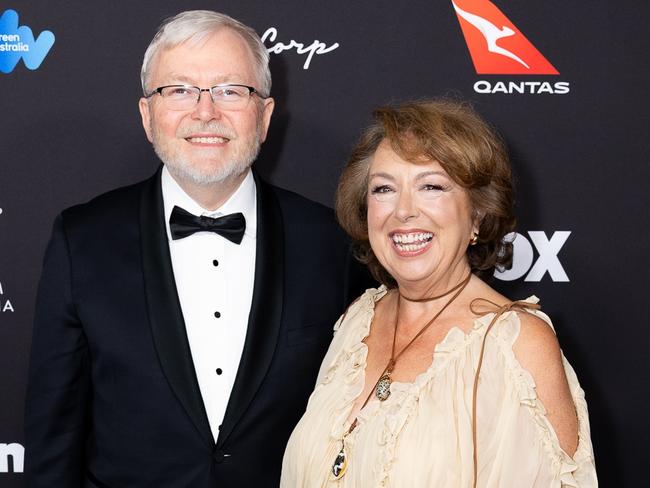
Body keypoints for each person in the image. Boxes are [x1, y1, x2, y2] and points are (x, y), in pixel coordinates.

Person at [25, 10, 369, 488]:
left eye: (231, 90)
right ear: (148, 116)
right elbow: (52, 442)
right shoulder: (82, 240)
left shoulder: (330, 241)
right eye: (179, 90)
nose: (205, 111)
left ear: (265, 116)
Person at [281, 100, 597, 487]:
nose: (403, 211)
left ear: (477, 214)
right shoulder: (357, 320)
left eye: (431, 186)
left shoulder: (515, 343)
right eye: (384, 189)